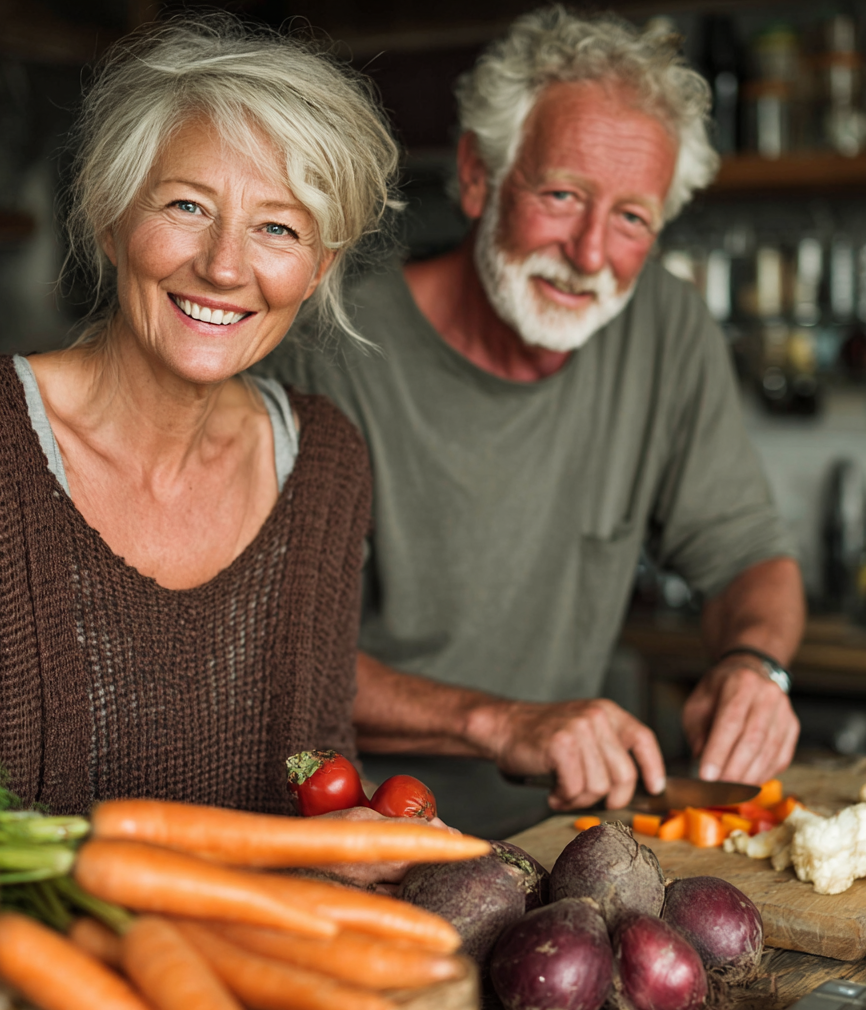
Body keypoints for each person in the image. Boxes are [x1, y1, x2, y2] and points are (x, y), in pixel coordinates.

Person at [0, 17, 403, 822]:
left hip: (253, 950)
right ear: (110, 219)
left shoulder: (323, 462)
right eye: (186, 205)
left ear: (318, 269)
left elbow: (314, 788)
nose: (223, 265)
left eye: (278, 227)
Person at [261, 6, 805, 814]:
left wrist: (754, 666)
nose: (589, 254)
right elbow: (269, 649)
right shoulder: (330, 349)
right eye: (562, 194)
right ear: (478, 176)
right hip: (359, 829)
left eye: (630, 219)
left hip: (559, 840)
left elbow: (747, 557)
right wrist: (499, 722)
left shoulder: (667, 326)